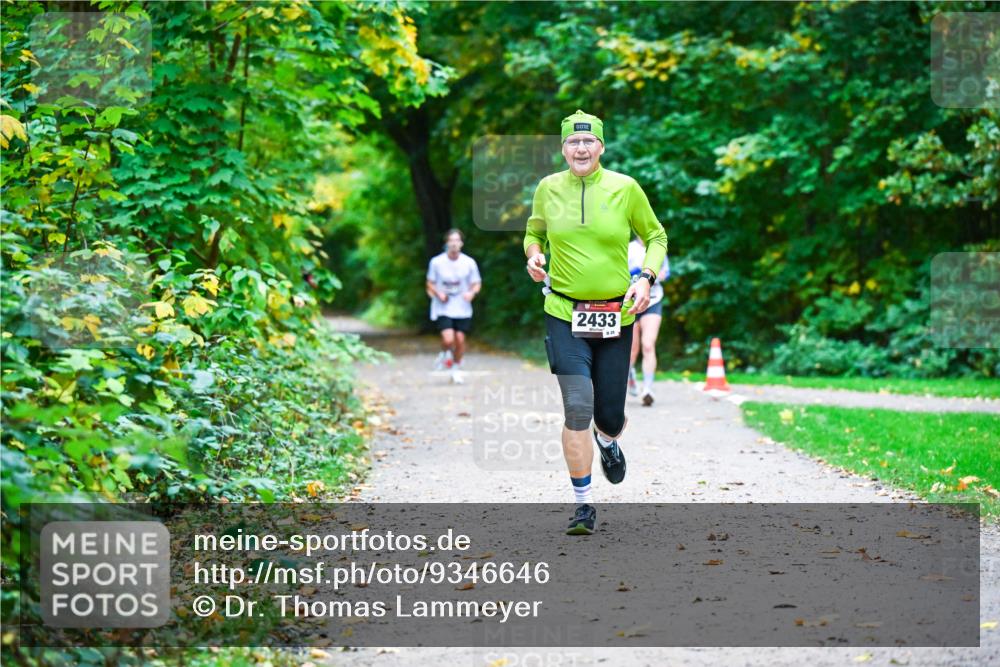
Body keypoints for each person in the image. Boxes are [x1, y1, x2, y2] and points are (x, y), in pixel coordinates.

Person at [524, 110, 667, 535]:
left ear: (601, 147)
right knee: (577, 408)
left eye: (589, 142)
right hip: (564, 312)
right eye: (573, 142)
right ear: (563, 148)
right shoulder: (548, 189)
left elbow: (656, 237)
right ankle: (583, 504)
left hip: (616, 314)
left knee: (608, 413)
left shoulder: (626, 188)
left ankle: (608, 441)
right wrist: (533, 254)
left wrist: (645, 278)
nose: (581, 149)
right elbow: (534, 232)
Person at [426, 229, 481, 384]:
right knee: (449, 339)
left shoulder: (469, 263)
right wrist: (438, 293)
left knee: (460, 340)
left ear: (461, 243)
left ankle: (455, 369)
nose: (454, 243)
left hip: (462, 308)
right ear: (446, 243)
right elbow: (429, 283)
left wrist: (471, 293)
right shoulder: (436, 262)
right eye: (451, 240)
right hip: (444, 307)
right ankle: (445, 352)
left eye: (457, 240)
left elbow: (476, 283)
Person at [627, 239, 670, 406]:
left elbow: (666, 272)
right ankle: (629, 374)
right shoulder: (629, 248)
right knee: (632, 349)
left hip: (653, 300)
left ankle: (647, 389)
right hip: (631, 301)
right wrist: (637, 274)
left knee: (648, 344)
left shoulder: (658, 247)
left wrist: (656, 276)